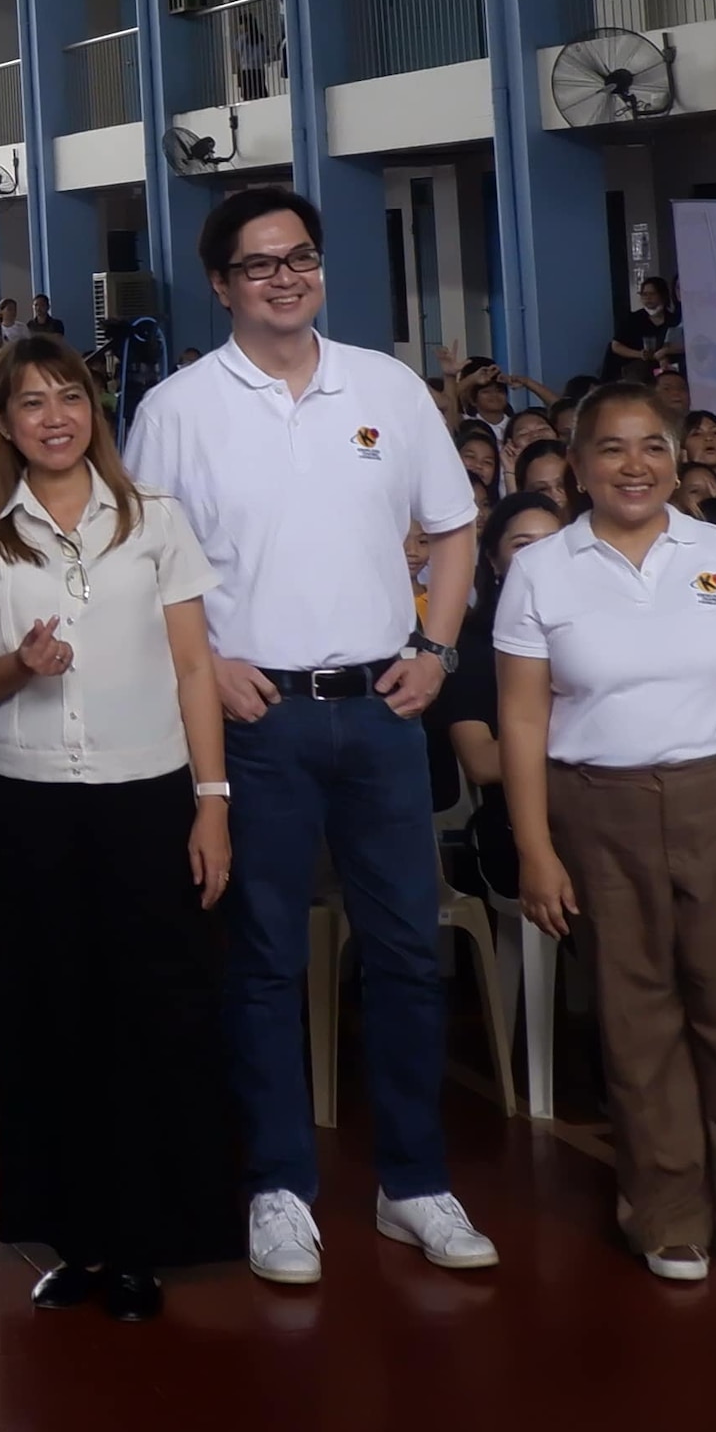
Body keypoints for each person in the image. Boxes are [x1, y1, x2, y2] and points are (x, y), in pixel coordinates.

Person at [122, 186, 497, 1291]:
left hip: (380, 713)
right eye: (259, 265)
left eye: (300, 259)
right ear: (221, 285)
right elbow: (147, 565)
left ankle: (414, 1182)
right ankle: (277, 1188)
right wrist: (211, 665)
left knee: (402, 952)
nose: (284, 278)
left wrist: (432, 649)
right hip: (258, 718)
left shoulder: (381, 388)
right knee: (263, 962)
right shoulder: (181, 408)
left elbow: (457, 527)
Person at [0, 342, 233, 1320]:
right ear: (1, 425)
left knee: (153, 1016)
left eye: (68, 398)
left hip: (146, 792)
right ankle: (77, 1241)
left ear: (93, 411)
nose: (52, 416)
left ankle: (145, 1242)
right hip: (31, 799)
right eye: (28, 402)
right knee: (49, 1019)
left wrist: (211, 801)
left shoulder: (155, 522)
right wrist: (20, 663)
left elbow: (193, 668)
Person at [493, 388, 716, 1284]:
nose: (632, 466)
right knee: (637, 1020)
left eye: (651, 448)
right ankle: (668, 1212)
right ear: (577, 461)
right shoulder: (542, 570)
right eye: (610, 449)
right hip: (598, 806)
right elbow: (521, 721)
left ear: (676, 461)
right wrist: (537, 847)